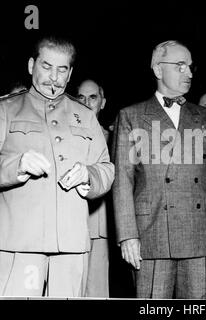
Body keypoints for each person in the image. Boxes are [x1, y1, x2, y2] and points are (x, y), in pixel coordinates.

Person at [112, 40, 206, 299]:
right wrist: (127, 236)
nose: (189, 73)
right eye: (180, 66)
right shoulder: (131, 116)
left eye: (190, 66)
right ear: (158, 70)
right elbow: (123, 182)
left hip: (200, 235)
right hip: (151, 236)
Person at [0, 36, 114, 297]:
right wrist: (16, 165)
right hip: (20, 243)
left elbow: (106, 168)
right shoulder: (6, 110)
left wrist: (89, 175)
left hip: (72, 244)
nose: (53, 77)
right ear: (31, 66)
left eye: (62, 70)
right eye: (46, 66)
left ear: (70, 73)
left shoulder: (85, 116)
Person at [77, 79, 110, 297]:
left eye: (93, 97)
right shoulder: (63, 134)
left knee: (97, 290)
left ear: (103, 102)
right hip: (71, 222)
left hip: (100, 222)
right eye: (81, 97)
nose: (87, 103)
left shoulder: (115, 136)